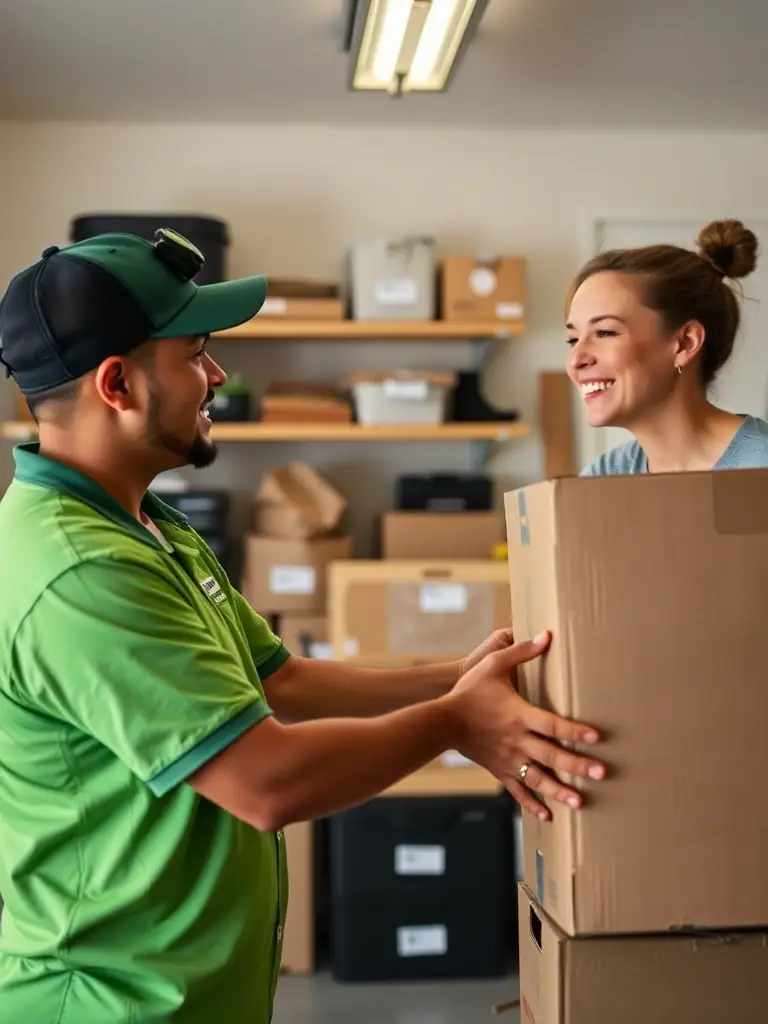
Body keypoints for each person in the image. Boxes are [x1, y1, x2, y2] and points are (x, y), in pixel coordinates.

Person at [0, 231, 605, 1023]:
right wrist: (456, 721)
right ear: (117, 384)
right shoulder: (80, 570)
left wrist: (456, 677)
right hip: (110, 1001)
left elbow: (281, 679)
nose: (217, 376)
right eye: (195, 354)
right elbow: (266, 781)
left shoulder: (148, 524)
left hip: (183, 989)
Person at [565, 218, 768, 475]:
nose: (576, 360)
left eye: (605, 332)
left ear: (685, 343)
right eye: (573, 339)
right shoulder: (602, 478)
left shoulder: (760, 466)